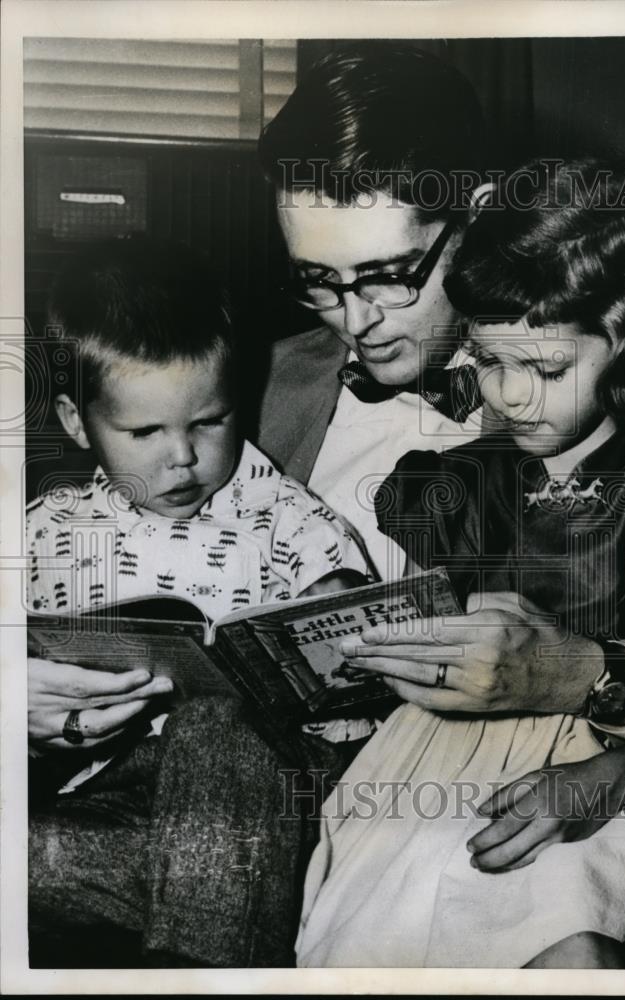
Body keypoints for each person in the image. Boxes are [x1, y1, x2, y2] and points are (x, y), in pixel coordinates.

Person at [294, 160, 625, 968]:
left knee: (565, 935)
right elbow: (412, 615)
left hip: (585, 766)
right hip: (419, 756)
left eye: (547, 369)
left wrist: (618, 775)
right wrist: (349, 609)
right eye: (493, 362)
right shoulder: (456, 481)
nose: (515, 395)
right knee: (374, 939)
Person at [256, 44, 625, 832]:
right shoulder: (250, 385)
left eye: (391, 274)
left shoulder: (610, 394)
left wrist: (585, 674)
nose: (358, 325)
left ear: (479, 213)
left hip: (493, 801)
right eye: (319, 281)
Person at [27, 236, 370, 966]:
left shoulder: (282, 513)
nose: (182, 457)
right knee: (34, 854)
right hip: (112, 795)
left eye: (209, 421)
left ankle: (201, 962)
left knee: (214, 725)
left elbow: (345, 610)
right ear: (72, 420)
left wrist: (337, 613)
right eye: (145, 432)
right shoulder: (44, 532)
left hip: (271, 786)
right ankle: (233, 913)